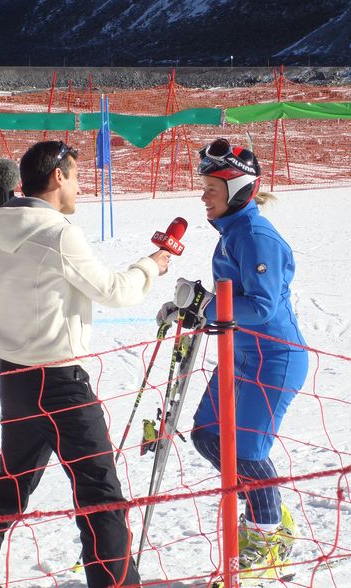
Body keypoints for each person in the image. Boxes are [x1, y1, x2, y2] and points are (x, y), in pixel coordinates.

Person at [0, 140, 171, 588]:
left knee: (10, 486)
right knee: (99, 490)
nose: (80, 187)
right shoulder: (58, 233)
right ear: (57, 177)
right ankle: (117, 583)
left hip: (16, 379)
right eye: (76, 176)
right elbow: (113, 291)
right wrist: (151, 265)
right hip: (62, 382)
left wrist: (4, 360)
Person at [157, 138, 308, 578]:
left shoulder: (256, 237)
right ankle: (267, 512)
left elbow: (261, 307)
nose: (203, 196)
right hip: (239, 354)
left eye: (211, 189)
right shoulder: (233, 234)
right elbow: (228, 300)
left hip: (272, 358)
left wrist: (206, 306)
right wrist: (194, 307)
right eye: (204, 187)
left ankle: (267, 536)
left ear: (239, 191)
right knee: (207, 436)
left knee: (245, 449)